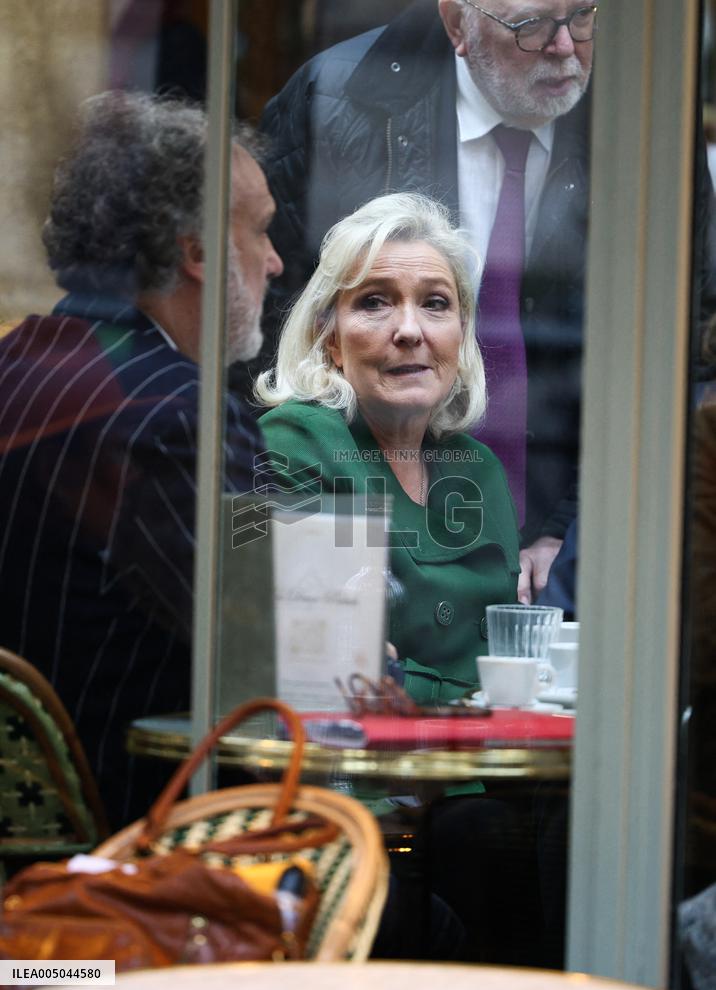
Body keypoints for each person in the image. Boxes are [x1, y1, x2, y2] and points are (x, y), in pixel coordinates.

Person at [252, 0, 714, 604]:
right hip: (369, 531)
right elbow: (262, 337)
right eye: (530, 26)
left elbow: (685, 350)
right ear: (456, 23)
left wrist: (575, 534)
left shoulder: (650, 115)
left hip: (582, 530)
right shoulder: (334, 102)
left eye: (583, 17)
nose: (564, 47)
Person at [0, 91, 283, 829]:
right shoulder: (175, 414)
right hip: (138, 846)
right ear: (196, 252)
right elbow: (267, 642)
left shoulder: (15, 362)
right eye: (260, 232)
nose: (277, 263)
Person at [257, 192, 519, 705]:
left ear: (461, 335)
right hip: (357, 774)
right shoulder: (295, 441)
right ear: (328, 338)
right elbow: (318, 666)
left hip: (488, 774)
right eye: (375, 301)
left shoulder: (479, 468)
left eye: (436, 303)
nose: (409, 330)